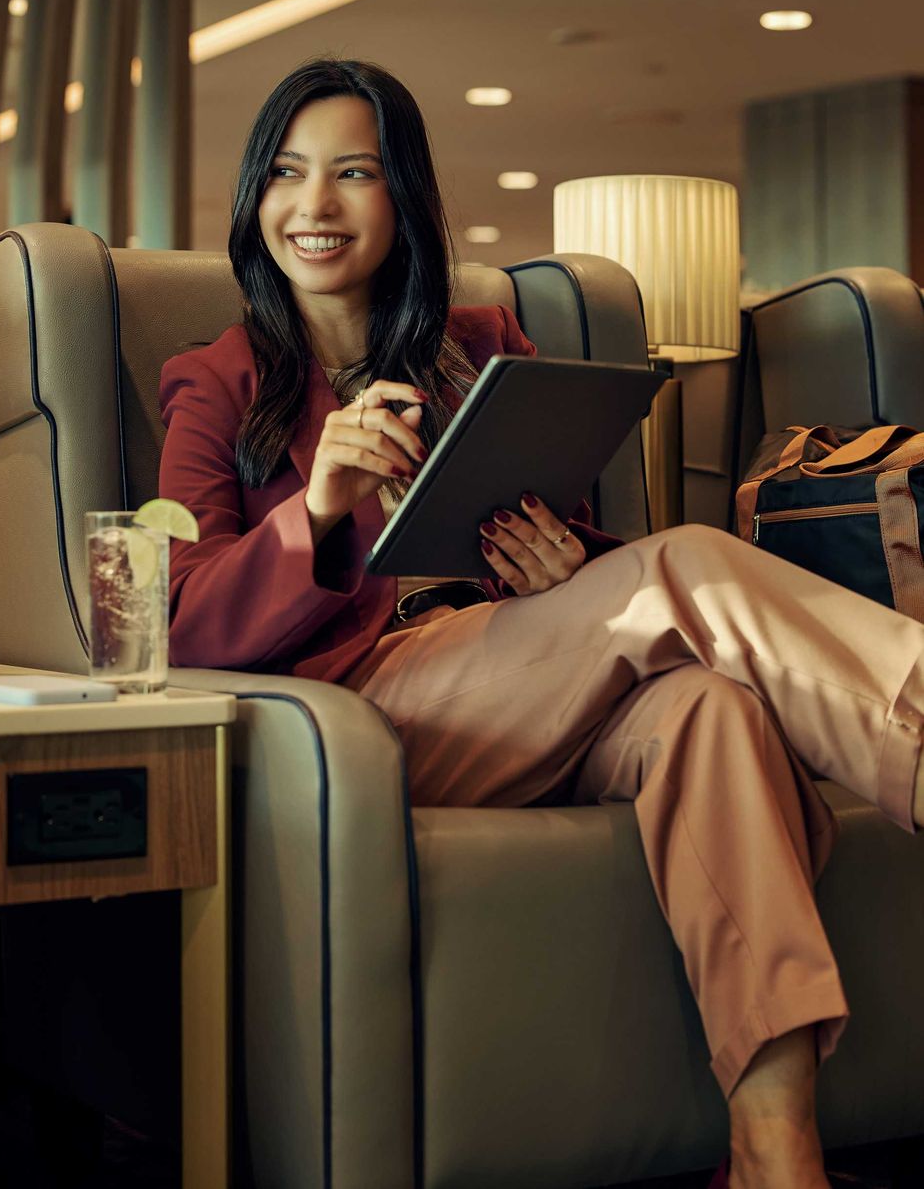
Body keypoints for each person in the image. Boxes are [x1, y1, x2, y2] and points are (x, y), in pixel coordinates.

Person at [158, 58, 924, 1189]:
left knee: (709, 712)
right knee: (689, 565)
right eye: (286, 172)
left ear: (401, 194)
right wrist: (316, 509)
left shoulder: (482, 342)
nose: (314, 206)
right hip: (369, 707)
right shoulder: (218, 379)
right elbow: (179, 623)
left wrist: (568, 563)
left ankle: (774, 1154)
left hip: (530, 672)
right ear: (253, 196)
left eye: (352, 174)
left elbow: (562, 552)